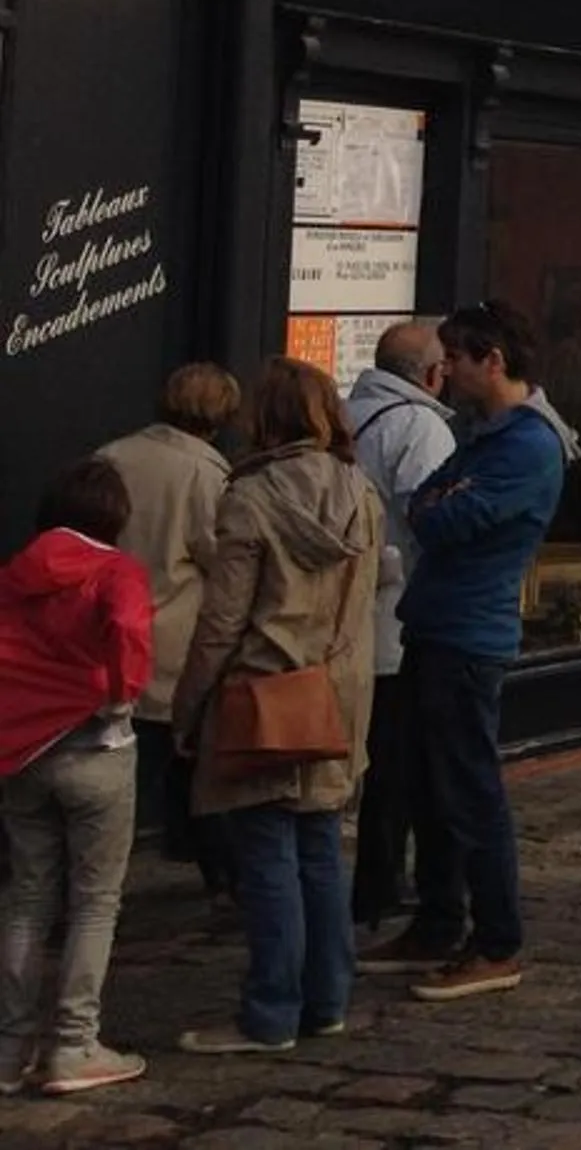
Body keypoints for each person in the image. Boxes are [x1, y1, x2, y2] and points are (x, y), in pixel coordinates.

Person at [171, 359, 383, 1058]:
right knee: (319, 849)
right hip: (335, 693)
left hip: (265, 691)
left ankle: (270, 1012)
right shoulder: (359, 491)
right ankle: (326, 1001)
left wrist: (189, 708)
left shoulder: (251, 497)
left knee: (266, 854)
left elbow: (222, 621)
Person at [373, 300, 565, 1002]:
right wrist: (439, 503)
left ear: (494, 361)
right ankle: (437, 920)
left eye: (456, 358)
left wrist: (440, 504)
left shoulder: (528, 445)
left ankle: (496, 940)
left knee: (469, 789)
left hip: (468, 634)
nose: (444, 370)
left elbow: (449, 518)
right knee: (427, 784)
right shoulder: (482, 434)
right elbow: (422, 499)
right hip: (433, 623)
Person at [0, 457, 156, 1096]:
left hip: (22, 748)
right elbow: (125, 628)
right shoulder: (116, 570)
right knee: (95, 901)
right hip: (96, 747)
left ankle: (8, 1049)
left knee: (27, 897)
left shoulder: (17, 573)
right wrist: (122, 694)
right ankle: (73, 1044)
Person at [96, 362, 236, 899]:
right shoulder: (206, 474)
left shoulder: (112, 456)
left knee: (118, 770)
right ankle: (225, 878)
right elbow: (222, 556)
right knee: (192, 765)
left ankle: (92, 883)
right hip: (172, 642)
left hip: (108, 634)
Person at [340, 322, 460, 937]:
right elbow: (431, 520)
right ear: (431, 374)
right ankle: (380, 883)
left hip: (341, 615)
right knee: (394, 758)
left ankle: (366, 882)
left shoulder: (343, 410)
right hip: (396, 614)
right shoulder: (419, 426)